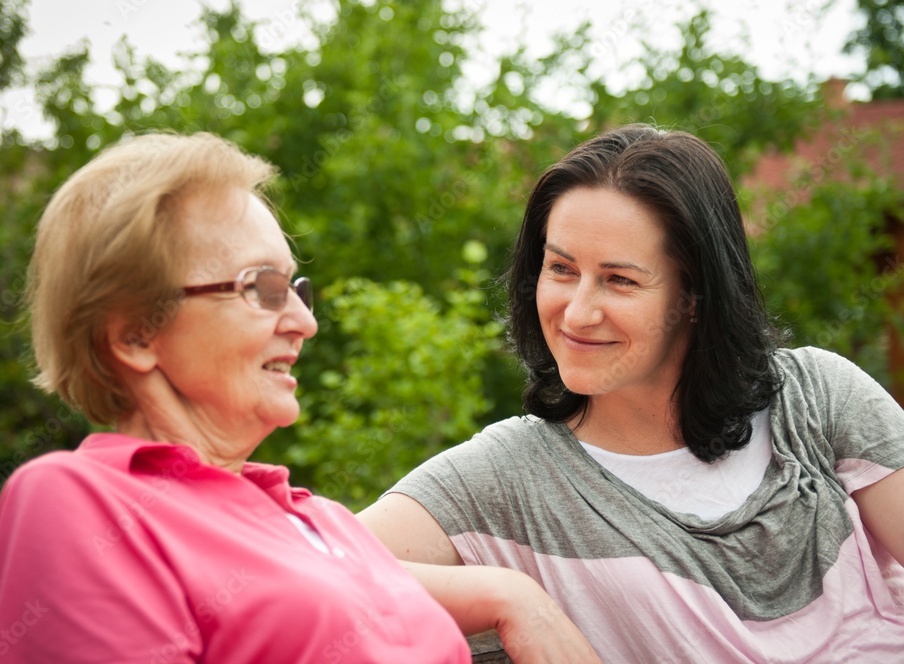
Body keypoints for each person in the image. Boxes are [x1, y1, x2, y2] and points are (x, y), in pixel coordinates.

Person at [358, 123, 904, 662]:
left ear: (694, 295)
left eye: (619, 280)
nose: (577, 313)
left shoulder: (817, 398)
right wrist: (514, 601)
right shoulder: (506, 477)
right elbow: (306, 569)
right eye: (561, 269)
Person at [0, 132, 479, 663]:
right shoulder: (80, 500)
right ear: (134, 334)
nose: (306, 323)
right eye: (262, 288)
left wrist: (511, 597)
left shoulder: (326, 519)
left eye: (296, 289)